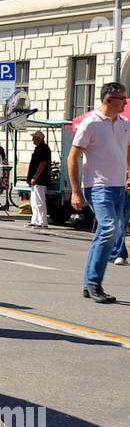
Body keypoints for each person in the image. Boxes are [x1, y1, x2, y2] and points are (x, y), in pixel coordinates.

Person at [68, 82, 130, 303]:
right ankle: (95, 284)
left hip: (119, 188)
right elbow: (73, 157)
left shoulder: (125, 124)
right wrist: (75, 191)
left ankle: (88, 284)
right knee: (109, 229)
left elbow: (127, 150)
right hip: (98, 187)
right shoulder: (91, 124)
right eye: (123, 98)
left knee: (105, 232)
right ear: (109, 100)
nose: (125, 102)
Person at [26, 130, 52, 231]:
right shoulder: (39, 148)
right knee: (34, 201)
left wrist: (35, 177)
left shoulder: (43, 148)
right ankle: (35, 220)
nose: (32, 139)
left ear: (39, 139)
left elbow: (42, 164)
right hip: (36, 180)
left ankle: (43, 222)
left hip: (40, 179)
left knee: (40, 201)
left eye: (34, 137)